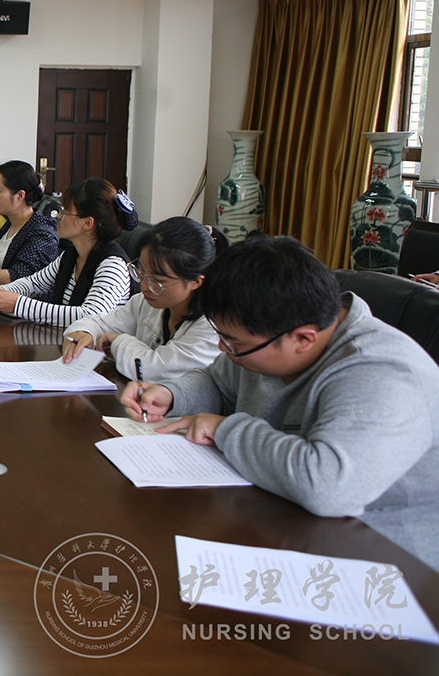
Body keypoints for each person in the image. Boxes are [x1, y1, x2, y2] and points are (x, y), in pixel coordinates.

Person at [121, 235, 439, 569]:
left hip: (384, 562)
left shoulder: (381, 373)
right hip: (279, 513)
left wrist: (226, 430)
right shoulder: (270, 331)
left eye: (234, 344)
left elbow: (327, 487)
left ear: (302, 339)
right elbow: (218, 381)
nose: (226, 351)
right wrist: (173, 394)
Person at [62, 216, 223, 381]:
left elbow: (154, 370)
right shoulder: (146, 303)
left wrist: (118, 341)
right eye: (142, 272)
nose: (145, 286)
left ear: (196, 282)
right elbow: (98, 323)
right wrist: (85, 332)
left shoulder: (213, 327)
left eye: (158, 281)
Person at [0, 177, 137, 326]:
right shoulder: (72, 254)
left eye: (65, 212)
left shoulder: (112, 265)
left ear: (87, 223)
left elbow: (91, 315)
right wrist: (1, 291)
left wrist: (18, 304)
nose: (58, 216)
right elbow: (34, 283)